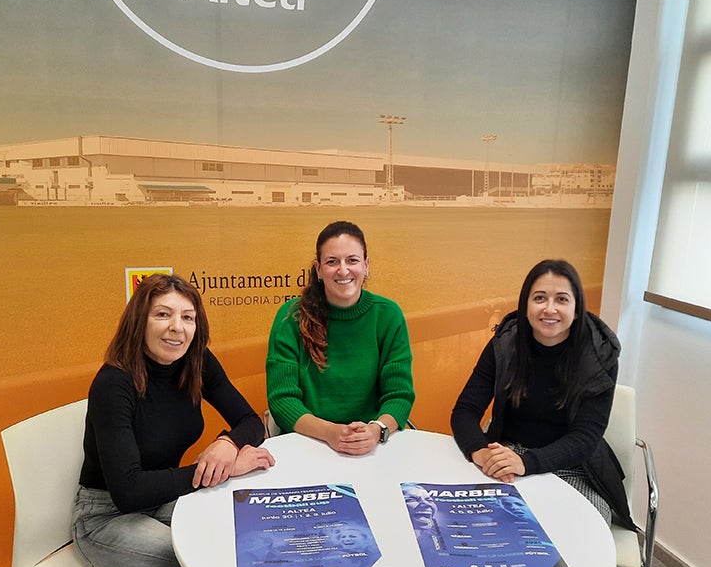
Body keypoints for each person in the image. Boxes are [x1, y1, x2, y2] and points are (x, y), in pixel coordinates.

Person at [72, 273, 275, 567]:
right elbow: (127, 491)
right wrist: (212, 471)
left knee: (238, 555)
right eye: (163, 314)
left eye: (188, 317)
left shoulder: (196, 362)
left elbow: (250, 421)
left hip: (164, 496)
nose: (176, 328)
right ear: (139, 321)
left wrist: (226, 444)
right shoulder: (114, 383)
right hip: (104, 518)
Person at [450, 259, 635, 529]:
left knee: (578, 538)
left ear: (576, 307)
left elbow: (585, 438)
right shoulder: (505, 344)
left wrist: (526, 462)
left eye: (561, 299)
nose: (550, 309)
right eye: (539, 298)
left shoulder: (600, 354)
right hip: (507, 454)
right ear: (526, 305)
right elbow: (465, 410)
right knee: (477, 531)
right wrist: (479, 451)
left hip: (575, 466)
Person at [266, 220, 415, 455]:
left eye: (352, 260)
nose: (343, 270)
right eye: (332, 261)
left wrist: (376, 430)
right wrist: (331, 433)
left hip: (372, 446)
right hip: (306, 444)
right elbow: (282, 400)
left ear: (366, 265)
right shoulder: (290, 317)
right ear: (318, 269)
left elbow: (399, 394)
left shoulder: (388, 315)